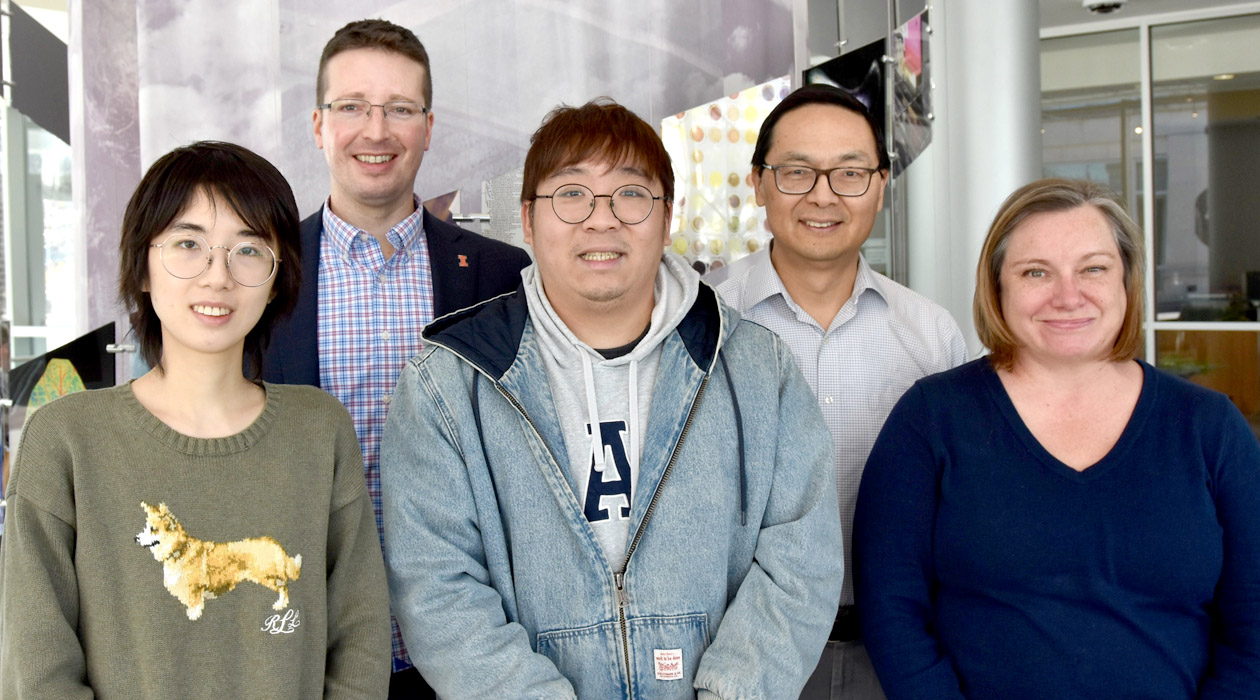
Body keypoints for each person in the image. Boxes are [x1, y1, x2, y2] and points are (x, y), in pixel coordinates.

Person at [381, 98, 843, 699]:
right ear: (527, 219)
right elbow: (437, 590)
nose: (602, 221)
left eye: (631, 194)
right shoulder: (449, 384)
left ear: (667, 216)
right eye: (571, 195)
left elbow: (798, 566)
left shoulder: (758, 368)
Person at [0, 141, 390, 698]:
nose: (217, 277)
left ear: (278, 276)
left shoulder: (319, 429)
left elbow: (360, 638)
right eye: (189, 244)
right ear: (141, 264)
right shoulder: (65, 439)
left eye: (249, 250)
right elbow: (36, 671)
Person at [853, 178, 1260, 699]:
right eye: (1036, 272)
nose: (1068, 296)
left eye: (1093, 268)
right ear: (998, 286)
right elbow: (892, 610)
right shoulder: (930, 419)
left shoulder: (1209, 427)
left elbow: (1252, 626)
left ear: (1127, 284)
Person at [258, 19, 531, 693]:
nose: (375, 131)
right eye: (351, 106)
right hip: (307, 655)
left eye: (399, 109)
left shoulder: (502, 278)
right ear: (319, 124)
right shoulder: (260, 274)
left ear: (429, 127)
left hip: (470, 656)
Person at [709, 83, 966, 699]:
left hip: (896, 656)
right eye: (797, 172)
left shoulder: (932, 336)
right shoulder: (701, 323)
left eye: (850, 173)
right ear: (759, 182)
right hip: (737, 654)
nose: (823, 196)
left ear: (881, 184)